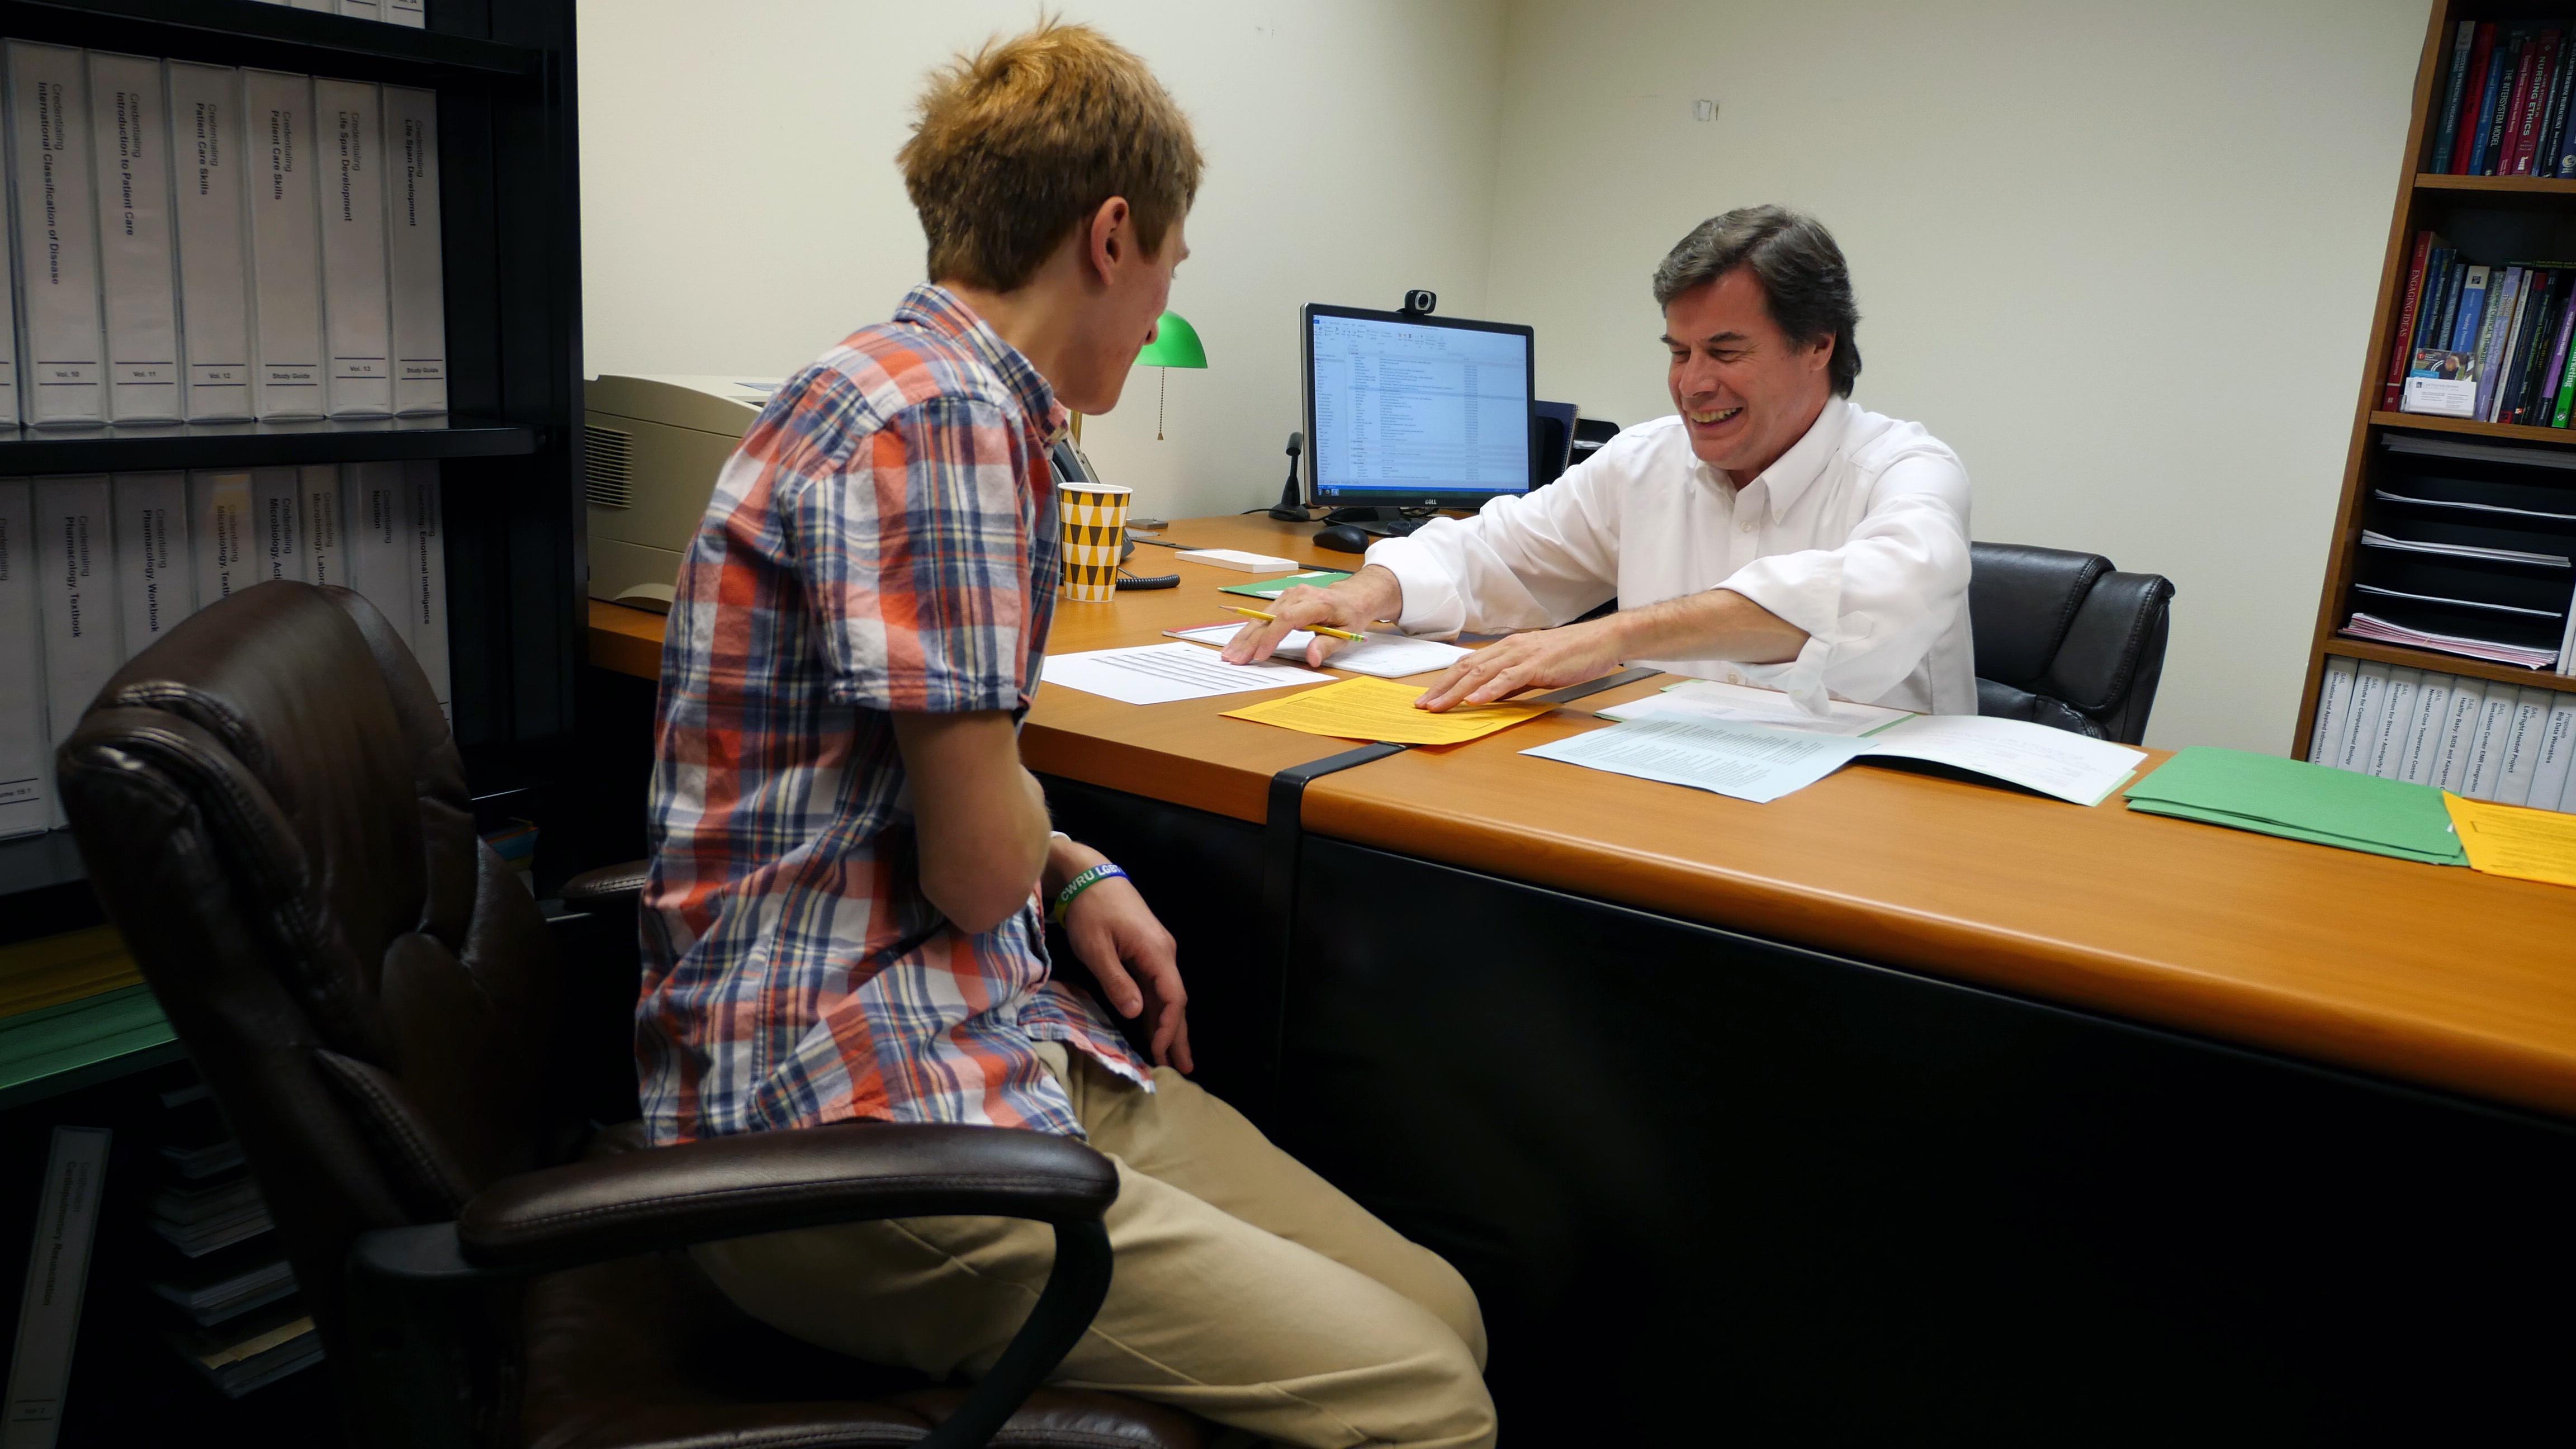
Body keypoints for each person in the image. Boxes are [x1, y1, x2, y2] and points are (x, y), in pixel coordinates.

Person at [634, 20, 1494, 1449]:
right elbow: (974, 868)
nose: (1161, 304)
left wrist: (1070, 865)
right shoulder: (952, 425)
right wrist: (1028, 859)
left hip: (978, 1031)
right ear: (1113, 234)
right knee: (1425, 1403)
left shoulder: (889, 383)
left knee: (1440, 1312)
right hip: (843, 1119)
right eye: (1171, 266)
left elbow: (909, 806)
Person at [1225, 205, 1974, 718]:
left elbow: (1875, 595)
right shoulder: (1648, 461)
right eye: (1680, 352)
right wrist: (1372, 590)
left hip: (1867, 833)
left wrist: (1610, 636)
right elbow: (1500, 551)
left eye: (1725, 352)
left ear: (1819, 346)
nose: (1693, 383)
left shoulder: (1906, 468)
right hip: (1672, 798)